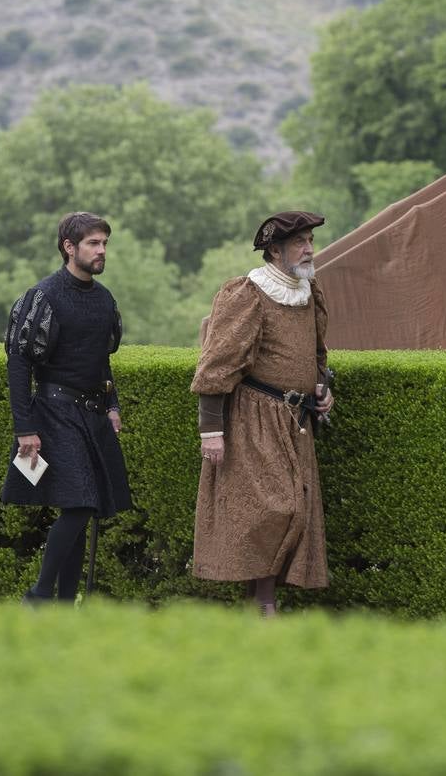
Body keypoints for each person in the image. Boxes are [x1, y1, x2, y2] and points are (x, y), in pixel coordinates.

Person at [191, 210, 335, 617]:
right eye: (300, 242)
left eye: (310, 241)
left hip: (296, 422)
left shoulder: (310, 291)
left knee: (297, 511)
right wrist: (211, 431)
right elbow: (216, 365)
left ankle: (262, 603)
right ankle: (263, 603)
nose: (309, 249)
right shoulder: (248, 294)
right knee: (273, 510)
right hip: (254, 419)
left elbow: (318, 356)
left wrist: (323, 388)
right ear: (274, 250)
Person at [1, 211, 132, 605]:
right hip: (55, 412)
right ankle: (39, 596)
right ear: (69, 247)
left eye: (105, 243)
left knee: (84, 507)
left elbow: (100, 360)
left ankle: (62, 605)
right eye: (93, 243)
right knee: (80, 504)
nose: (101, 250)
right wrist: (25, 428)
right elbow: (19, 362)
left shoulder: (104, 298)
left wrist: (111, 405)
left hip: (91, 415)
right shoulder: (44, 296)